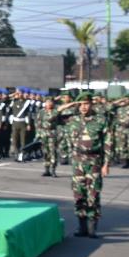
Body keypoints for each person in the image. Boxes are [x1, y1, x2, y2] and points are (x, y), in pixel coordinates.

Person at [51, 91, 113, 238]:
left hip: (94, 161)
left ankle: (92, 226)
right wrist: (71, 104)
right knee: (78, 194)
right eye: (81, 104)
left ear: (91, 104)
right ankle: (82, 226)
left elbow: (108, 142)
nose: (84, 107)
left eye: (86, 103)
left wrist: (106, 163)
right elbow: (52, 115)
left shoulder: (100, 120)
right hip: (78, 161)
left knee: (93, 193)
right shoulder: (71, 119)